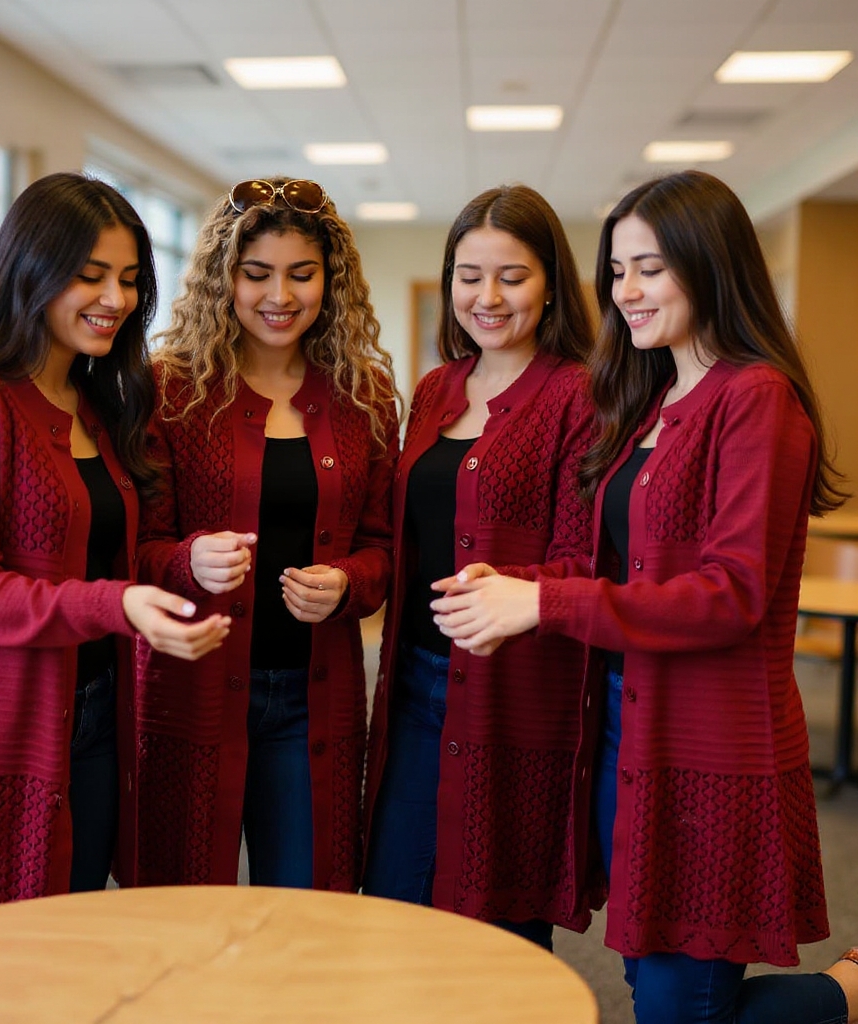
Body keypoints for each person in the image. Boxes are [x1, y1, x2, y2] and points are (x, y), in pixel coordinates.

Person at [430, 170, 858, 1024]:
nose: (626, 291)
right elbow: (617, 570)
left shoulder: (758, 399)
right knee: (648, 985)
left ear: (711, 266)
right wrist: (516, 585)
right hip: (629, 737)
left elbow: (730, 596)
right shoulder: (654, 400)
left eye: (651, 268)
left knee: (681, 1010)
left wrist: (543, 609)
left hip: (713, 751)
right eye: (617, 269)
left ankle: (845, 991)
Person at [0, 172, 230, 927]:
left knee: (69, 951)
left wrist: (179, 566)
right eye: (89, 275)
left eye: (129, 280)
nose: (115, 299)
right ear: (28, 272)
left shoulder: (98, 402)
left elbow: (106, 567)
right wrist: (118, 602)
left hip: (92, 720)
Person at [133, 177, 399, 891]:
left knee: (313, 912)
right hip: (192, 692)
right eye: (257, 274)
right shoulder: (171, 389)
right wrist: (188, 560)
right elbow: (136, 549)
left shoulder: (364, 394)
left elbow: (384, 548)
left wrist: (349, 584)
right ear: (226, 280)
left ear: (330, 281)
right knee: (184, 906)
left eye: (301, 274)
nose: (279, 295)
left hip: (318, 697)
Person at [362, 185, 599, 950]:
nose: (487, 297)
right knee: (395, 906)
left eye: (513, 276)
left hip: (515, 696)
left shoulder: (581, 395)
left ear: (552, 283)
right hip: (413, 686)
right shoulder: (436, 390)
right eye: (469, 275)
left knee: (500, 932)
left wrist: (514, 589)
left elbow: (587, 556)